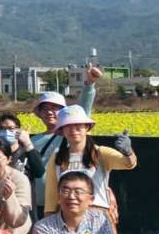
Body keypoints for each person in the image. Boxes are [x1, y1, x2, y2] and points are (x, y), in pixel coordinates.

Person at [41, 106, 137, 220]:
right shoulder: (57, 158)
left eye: (78, 125)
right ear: (62, 130)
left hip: (98, 214)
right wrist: (48, 222)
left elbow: (128, 164)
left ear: (86, 127)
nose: (74, 130)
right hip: (68, 217)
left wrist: (128, 152)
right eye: (68, 126)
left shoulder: (100, 153)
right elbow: (51, 196)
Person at [24, 65, 103, 199]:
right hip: (37, 200)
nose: (49, 112)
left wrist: (89, 84)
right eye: (45, 109)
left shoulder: (69, 136)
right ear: (40, 113)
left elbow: (83, 107)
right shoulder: (32, 141)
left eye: (54, 108)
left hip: (66, 199)